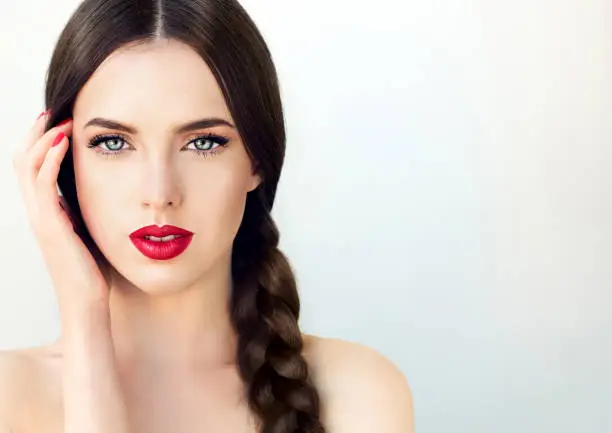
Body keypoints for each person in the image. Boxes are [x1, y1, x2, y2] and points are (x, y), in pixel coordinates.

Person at [0, 0, 413, 432]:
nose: (159, 195)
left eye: (202, 143)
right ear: (61, 162)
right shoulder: (10, 395)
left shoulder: (355, 392)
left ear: (257, 160)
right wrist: (84, 317)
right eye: (113, 143)